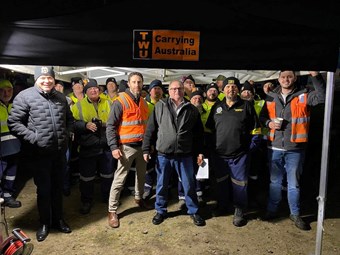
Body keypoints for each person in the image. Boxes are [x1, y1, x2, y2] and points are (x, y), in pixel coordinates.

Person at [8, 66, 73, 242]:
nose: (46, 81)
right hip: (39, 154)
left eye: (49, 78)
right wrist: (34, 138)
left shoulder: (61, 98)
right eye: (43, 78)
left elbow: (70, 120)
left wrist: (67, 134)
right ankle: (44, 223)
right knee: (44, 190)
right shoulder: (25, 96)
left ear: (54, 79)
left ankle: (58, 220)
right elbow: (13, 122)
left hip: (59, 153)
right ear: (37, 79)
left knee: (57, 188)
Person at [259, 71, 325, 231]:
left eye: (289, 76)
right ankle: (272, 210)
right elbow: (262, 117)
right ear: (279, 79)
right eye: (283, 77)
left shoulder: (304, 94)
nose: (286, 79)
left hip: (295, 148)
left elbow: (322, 97)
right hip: (274, 146)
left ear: (295, 78)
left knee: (293, 184)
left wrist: (315, 76)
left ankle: (295, 214)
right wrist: (269, 124)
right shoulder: (271, 96)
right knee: (274, 182)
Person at [142, 79, 206, 227]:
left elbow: (198, 134)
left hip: (185, 154)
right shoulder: (160, 106)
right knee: (161, 184)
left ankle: (194, 211)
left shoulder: (191, 109)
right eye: (173, 89)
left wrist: (200, 152)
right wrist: (146, 148)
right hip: (164, 154)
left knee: (189, 184)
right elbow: (151, 129)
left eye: (179, 89)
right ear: (168, 91)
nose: (176, 91)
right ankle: (160, 210)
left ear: (184, 91)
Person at [206, 77, 261, 227]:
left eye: (234, 87)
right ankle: (223, 205)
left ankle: (240, 210)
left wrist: (249, 148)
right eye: (228, 87)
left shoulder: (246, 106)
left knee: (239, 184)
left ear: (238, 89)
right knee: (221, 182)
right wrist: (211, 148)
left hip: (240, 156)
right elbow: (209, 129)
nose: (231, 89)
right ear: (223, 90)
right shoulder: (217, 107)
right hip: (219, 156)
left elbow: (256, 129)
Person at [106, 72, 152, 229]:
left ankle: (139, 199)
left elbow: (146, 126)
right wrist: (113, 147)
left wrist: (148, 145)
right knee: (119, 179)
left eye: (139, 82)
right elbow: (111, 126)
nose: (137, 85)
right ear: (128, 83)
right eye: (134, 82)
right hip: (126, 148)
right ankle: (112, 211)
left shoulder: (144, 103)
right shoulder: (120, 101)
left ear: (142, 83)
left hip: (142, 147)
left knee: (141, 176)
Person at [71, 79, 115, 214]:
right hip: (88, 147)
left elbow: (115, 119)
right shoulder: (77, 106)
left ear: (99, 90)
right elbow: (71, 124)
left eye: (96, 88)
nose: (94, 90)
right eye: (90, 89)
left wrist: (105, 125)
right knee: (87, 177)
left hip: (106, 145)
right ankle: (86, 201)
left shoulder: (108, 102)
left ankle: (107, 197)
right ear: (86, 92)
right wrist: (85, 125)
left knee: (108, 174)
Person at [0, 79, 22, 208]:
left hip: (14, 148)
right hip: (1, 149)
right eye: (2, 91)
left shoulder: (15, 106)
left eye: (9, 90)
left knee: (11, 174)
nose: (6, 93)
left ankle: (8, 196)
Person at [143, 79, 165, 200]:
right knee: (149, 166)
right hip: (150, 139)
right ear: (150, 91)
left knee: (162, 166)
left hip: (164, 140)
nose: (156, 90)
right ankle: (148, 188)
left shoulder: (166, 103)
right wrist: (149, 143)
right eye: (154, 88)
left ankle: (164, 189)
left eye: (159, 88)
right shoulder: (144, 104)